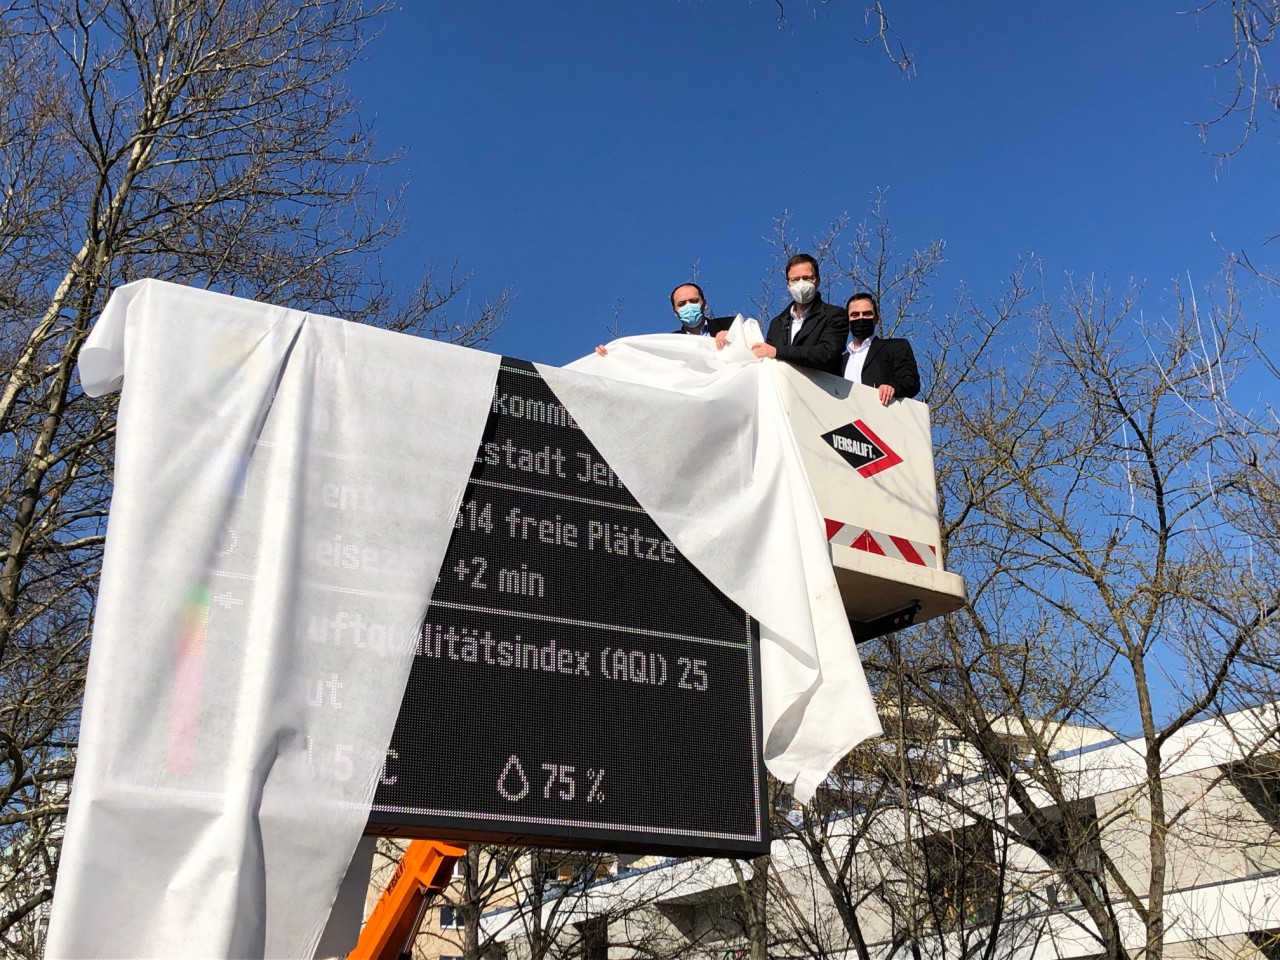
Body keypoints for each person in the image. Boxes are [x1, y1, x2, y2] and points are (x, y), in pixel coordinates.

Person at [715, 254, 846, 375]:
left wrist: (778, 352)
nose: (800, 284)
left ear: (817, 281)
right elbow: (762, 356)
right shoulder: (778, 323)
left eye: (806, 278)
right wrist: (732, 339)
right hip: (785, 395)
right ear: (788, 284)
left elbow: (827, 355)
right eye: (795, 280)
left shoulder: (834, 316)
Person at [594, 282, 732, 356]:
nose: (688, 306)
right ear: (675, 311)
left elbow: (752, 339)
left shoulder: (731, 324)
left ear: (704, 304)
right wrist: (609, 355)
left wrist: (735, 336)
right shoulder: (669, 343)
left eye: (693, 301)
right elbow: (640, 361)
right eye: (682, 304)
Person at [843, 292, 920, 406]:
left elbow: (910, 381)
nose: (861, 318)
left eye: (866, 314)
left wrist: (893, 387)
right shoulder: (838, 362)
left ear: (876, 318)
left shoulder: (895, 347)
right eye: (855, 315)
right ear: (847, 320)